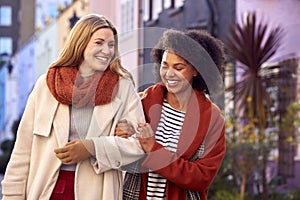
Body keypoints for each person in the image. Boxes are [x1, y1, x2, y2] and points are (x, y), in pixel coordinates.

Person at [1, 13, 145, 200]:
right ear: (81, 43)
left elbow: (140, 146)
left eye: (111, 45)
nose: (107, 51)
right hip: (45, 191)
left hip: (98, 192)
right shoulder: (46, 85)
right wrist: (12, 196)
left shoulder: (123, 88)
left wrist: (92, 147)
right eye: (99, 43)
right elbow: (23, 151)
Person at [116, 29, 226, 200]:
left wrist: (153, 149)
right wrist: (120, 137)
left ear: (195, 70)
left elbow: (201, 178)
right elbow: (120, 158)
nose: (169, 74)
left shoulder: (212, 119)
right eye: (165, 65)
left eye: (179, 67)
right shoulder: (140, 103)